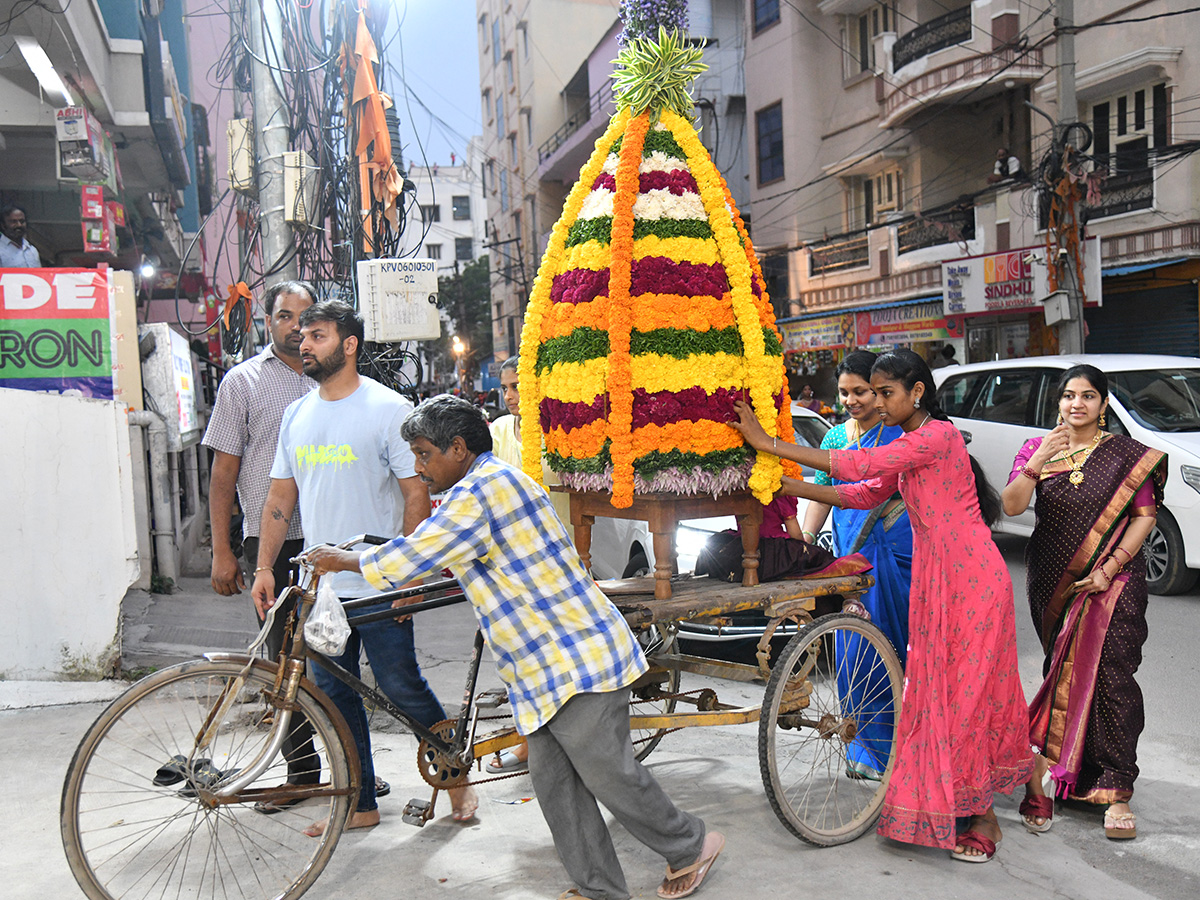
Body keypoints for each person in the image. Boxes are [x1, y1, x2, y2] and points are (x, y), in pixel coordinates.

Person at [305, 395, 725, 900]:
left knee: (610, 776)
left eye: (423, 454)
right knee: (556, 788)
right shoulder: (483, 486)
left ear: (457, 448)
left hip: (576, 659)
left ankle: (690, 845)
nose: (419, 468)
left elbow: (417, 553)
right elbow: (446, 554)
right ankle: (600, 890)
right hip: (542, 668)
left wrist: (344, 561)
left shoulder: (482, 491)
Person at [731, 348, 1033, 863]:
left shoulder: (935, 435)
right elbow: (863, 491)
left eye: (886, 392)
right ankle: (1015, 786)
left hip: (974, 577)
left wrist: (768, 443)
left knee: (967, 693)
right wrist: (779, 483)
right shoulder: (913, 443)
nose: (878, 402)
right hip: (938, 579)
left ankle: (982, 815)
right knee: (942, 689)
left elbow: (862, 464)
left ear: (917, 392)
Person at [250, 300, 476, 835]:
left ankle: (455, 775)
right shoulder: (295, 415)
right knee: (333, 696)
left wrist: (405, 575)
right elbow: (281, 496)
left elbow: (415, 496)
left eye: (318, 336)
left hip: (379, 583)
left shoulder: (388, 409)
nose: (304, 344)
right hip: (322, 589)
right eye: (303, 336)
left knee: (400, 685)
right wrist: (263, 565)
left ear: (349, 345)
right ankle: (359, 804)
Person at [1001, 364, 1163, 841]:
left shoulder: (1125, 455)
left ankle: (1116, 788)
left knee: (1111, 676)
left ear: (1104, 403)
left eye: (1088, 396)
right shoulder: (1037, 449)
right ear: (1058, 402)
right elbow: (1011, 506)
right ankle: (1071, 772)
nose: (1077, 404)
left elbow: (1143, 517)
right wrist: (1038, 461)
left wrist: (1108, 569)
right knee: (1066, 674)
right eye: (1069, 395)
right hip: (1052, 581)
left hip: (1113, 579)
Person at [202, 280, 323, 804]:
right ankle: (302, 773)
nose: (296, 327)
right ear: (268, 322)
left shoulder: (334, 379)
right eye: (284, 316)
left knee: (335, 659)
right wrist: (224, 551)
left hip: (330, 540)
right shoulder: (243, 382)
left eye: (305, 317)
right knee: (281, 661)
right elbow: (223, 473)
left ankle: (354, 763)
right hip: (269, 546)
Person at [800, 349, 913, 781]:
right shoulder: (834, 440)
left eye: (861, 391)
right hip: (852, 556)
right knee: (855, 654)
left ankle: (905, 750)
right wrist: (809, 540)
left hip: (899, 553)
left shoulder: (902, 436)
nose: (851, 400)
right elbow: (821, 494)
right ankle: (867, 749)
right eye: (844, 392)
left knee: (896, 649)